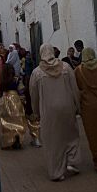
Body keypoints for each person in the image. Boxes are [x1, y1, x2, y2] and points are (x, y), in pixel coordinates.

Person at [30, 43, 81, 181]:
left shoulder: (37, 73)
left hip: (48, 111)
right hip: (67, 107)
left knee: (53, 141)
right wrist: (78, 106)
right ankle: (73, 162)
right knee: (71, 134)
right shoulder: (66, 67)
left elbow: (33, 95)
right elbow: (74, 89)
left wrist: (36, 112)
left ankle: (57, 173)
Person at [0, 63, 27, 149]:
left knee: (6, 122)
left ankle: (7, 142)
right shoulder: (16, 79)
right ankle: (17, 138)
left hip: (4, 100)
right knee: (17, 121)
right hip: (15, 100)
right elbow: (21, 90)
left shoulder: (2, 80)